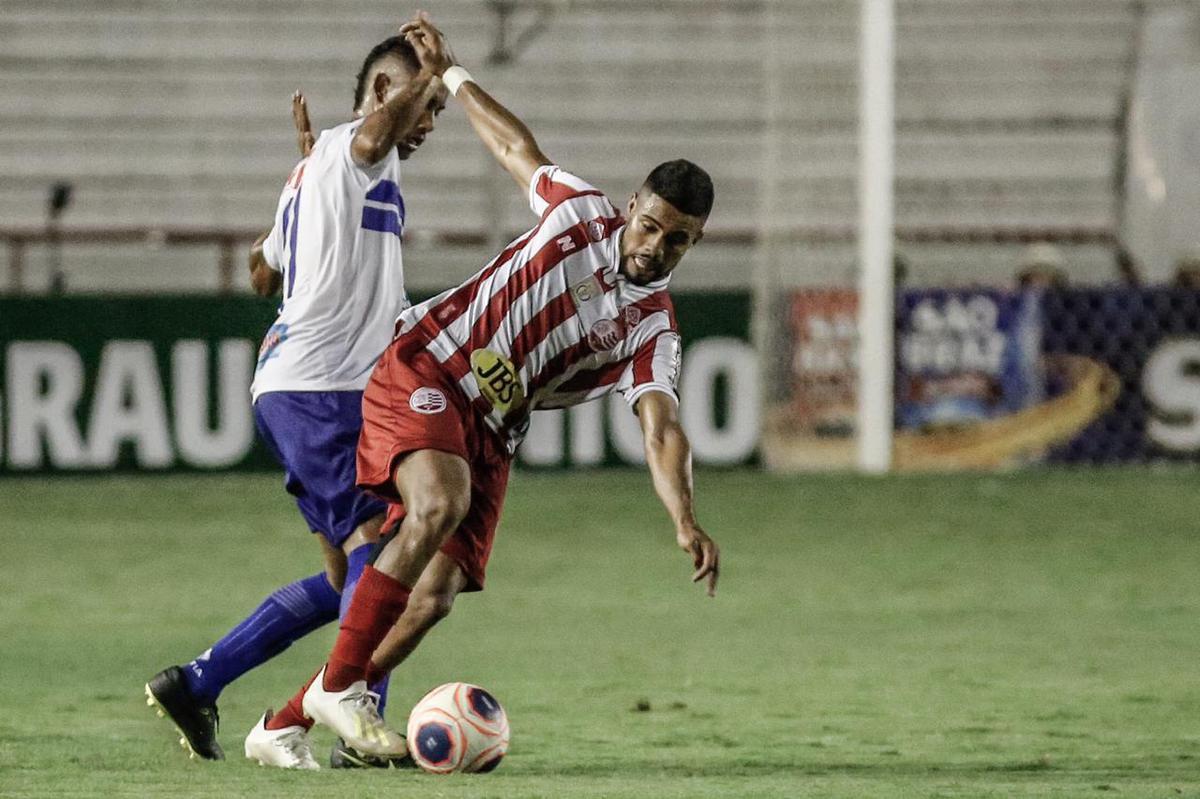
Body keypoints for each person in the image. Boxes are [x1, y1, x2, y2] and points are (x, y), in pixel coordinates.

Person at [244, 11, 720, 769]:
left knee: (432, 596)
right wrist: (454, 72)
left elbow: (660, 426)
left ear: (693, 242)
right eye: (652, 225)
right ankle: (344, 690)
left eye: (676, 240)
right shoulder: (577, 214)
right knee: (437, 503)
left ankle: (287, 720)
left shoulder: (653, 328)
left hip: (493, 429)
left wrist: (685, 517)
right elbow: (514, 148)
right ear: (632, 207)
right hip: (430, 363)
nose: (655, 247)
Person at [145, 32, 448, 769]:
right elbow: (373, 134)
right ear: (382, 96)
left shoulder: (326, 166)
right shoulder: (355, 148)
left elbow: (258, 272)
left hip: (304, 384)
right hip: (327, 388)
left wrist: (305, 189)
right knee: (383, 549)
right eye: (425, 103)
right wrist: (434, 67)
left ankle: (198, 681)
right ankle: (357, 713)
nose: (432, 120)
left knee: (348, 579)